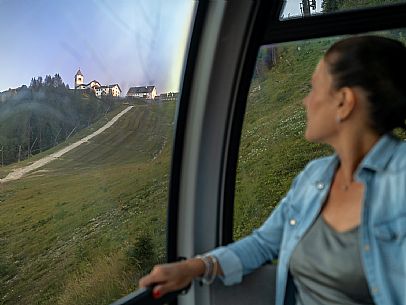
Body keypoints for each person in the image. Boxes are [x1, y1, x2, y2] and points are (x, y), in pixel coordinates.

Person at [139, 35, 406, 305]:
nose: (306, 101)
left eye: (314, 89)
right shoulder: (314, 177)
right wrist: (194, 267)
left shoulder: (401, 182)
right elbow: (264, 244)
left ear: (345, 101)